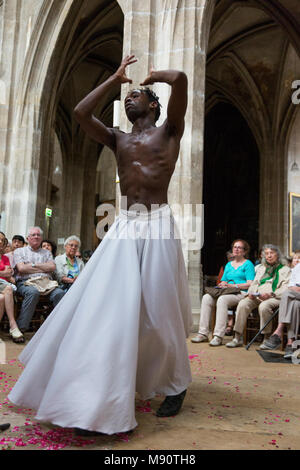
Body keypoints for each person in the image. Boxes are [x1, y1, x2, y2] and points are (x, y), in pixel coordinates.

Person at [8, 56, 192, 435]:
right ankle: (96, 398)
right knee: (105, 308)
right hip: (124, 226)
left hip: (158, 225)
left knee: (159, 315)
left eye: (136, 96)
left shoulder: (169, 132)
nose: (128, 100)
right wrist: (114, 80)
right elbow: (79, 112)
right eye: (126, 98)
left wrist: (154, 76)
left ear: (154, 104)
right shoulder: (117, 138)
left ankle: (176, 383)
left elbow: (183, 79)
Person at [191, 239, 255, 346]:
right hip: (227, 291)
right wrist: (222, 284)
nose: (236, 249)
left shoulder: (248, 264)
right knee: (206, 297)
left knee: (222, 300)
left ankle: (218, 336)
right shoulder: (229, 265)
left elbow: (250, 283)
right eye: (235, 247)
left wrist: (234, 285)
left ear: (244, 251)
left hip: (241, 293)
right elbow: (224, 280)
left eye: (239, 247)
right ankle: (203, 333)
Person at [226, 244, 291, 348]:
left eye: (271, 253)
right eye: (266, 254)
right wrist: (251, 293)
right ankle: (237, 337)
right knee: (243, 304)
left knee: (264, 306)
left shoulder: (285, 269)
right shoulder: (260, 268)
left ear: (277, 255)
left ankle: (266, 338)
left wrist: (271, 294)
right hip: (257, 295)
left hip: (274, 297)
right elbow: (254, 283)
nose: (269, 256)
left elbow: (286, 288)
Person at [13, 227, 65, 332]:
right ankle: (21, 328)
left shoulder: (47, 253)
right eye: (33, 235)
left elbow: (52, 267)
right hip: (26, 283)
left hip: (46, 283)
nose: (36, 236)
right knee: (33, 292)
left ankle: (57, 328)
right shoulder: (20, 251)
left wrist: (31, 265)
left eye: (38, 235)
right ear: (28, 238)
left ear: (41, 238)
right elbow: (21, 269)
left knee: (60, 293)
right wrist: (42, 267)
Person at [258, 260, 300, 355]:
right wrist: (295, 289)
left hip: (294, 293)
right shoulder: (298, 267)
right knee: (294, 304)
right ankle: (291, 343)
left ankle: (278, 331)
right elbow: (290, 285)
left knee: (287, 293)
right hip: (296, 297)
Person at [0, 233, 24, 343]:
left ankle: (12, 325)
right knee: (8, 289)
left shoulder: (5, 257)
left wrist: (5, 274)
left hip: (3, 285)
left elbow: (9, 273)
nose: (0, 242)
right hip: (3, 285)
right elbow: (6, 273)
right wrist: (3, 272)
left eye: (2, 240)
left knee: (2, 297)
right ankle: (13, 325)